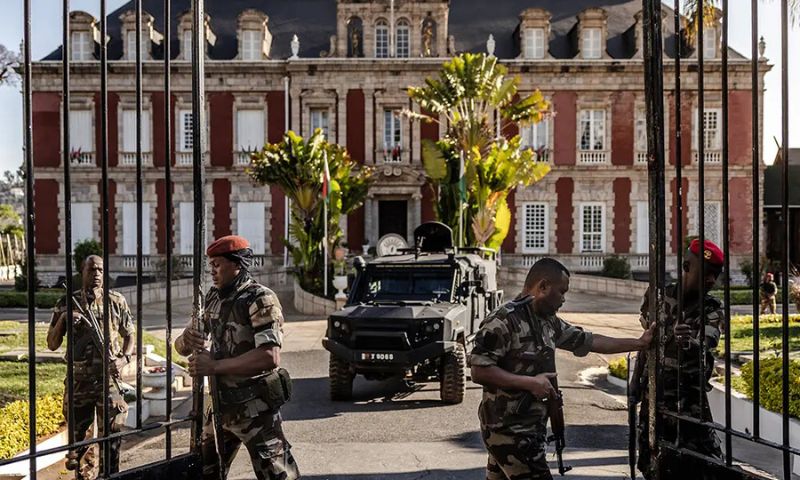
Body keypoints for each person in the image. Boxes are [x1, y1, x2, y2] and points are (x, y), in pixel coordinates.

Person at [470, 257, 654, 480]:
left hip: (527, 431)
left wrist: (640, 343)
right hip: (509, 432)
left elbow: (591, 341)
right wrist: (530, 383)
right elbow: (479, 370)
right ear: (543, 287)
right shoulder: (503, 321)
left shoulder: (548, 321)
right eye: (561, 292)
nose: (564, 299)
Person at [175, 235, 299, 480]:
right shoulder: (213, 298)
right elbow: (181, 348)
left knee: (278, 475)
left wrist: (214, 366)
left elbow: (269, 357)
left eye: (218, 264)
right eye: (210, 265)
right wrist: (187, 338)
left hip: (255, 410)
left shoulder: (260, 299)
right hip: (220, 410)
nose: (212, 270)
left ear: (238, 264)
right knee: (202, 473)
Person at [635, 239, 726, 479]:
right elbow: (646, 343)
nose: (711, 281)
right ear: (686, 266)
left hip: (689, 403)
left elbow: (706, 344)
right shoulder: (657, 296)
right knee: (652, 465)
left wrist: (688, 342)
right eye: (707, 273)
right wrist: (635, 383)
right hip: (654, 398)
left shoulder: (712, 309)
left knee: (705, 467)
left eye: (716, 275)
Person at [46, 255, 134, 480]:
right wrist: (64, 318)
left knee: (111, 441)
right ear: (82, 272)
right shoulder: (67, 302)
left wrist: (124, 359)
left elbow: (130, 335)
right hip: (79, 383)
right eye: (92, 270)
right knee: (81, 446)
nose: (96, 275)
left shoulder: (116, 301)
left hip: (109, 382)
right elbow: (52, 344)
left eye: (100, 270)